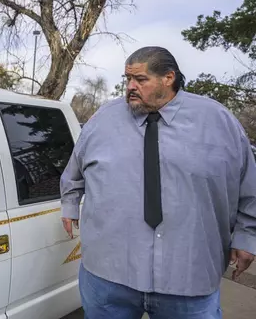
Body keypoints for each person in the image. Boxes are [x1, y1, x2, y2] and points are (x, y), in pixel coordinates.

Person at [60, 46, 256, 318]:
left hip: (189, 279)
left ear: (169, 78)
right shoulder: (102, 121)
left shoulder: (218, 122)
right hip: (108, 276)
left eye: (140, 80)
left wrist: (248, 237)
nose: (131, 87)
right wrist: (69, 204)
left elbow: (250, 186)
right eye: (127, 79)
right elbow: (74, 171)